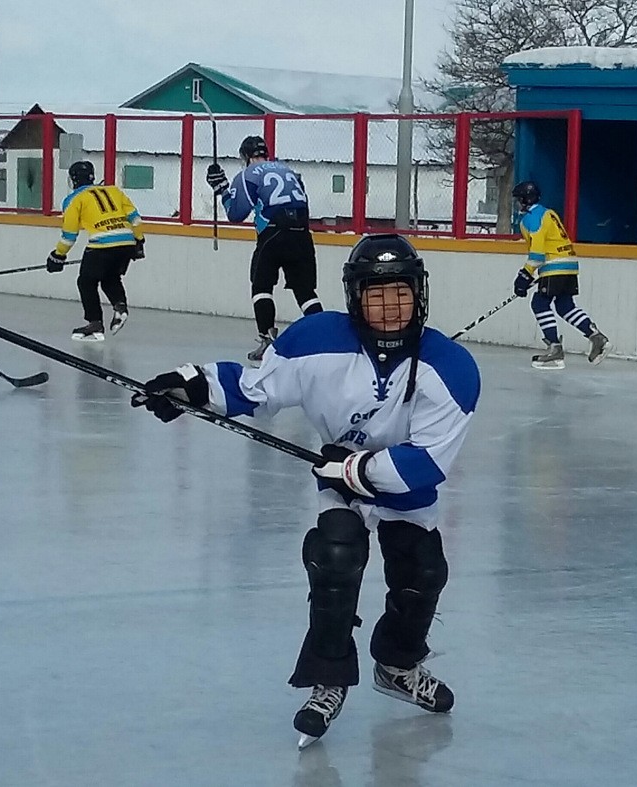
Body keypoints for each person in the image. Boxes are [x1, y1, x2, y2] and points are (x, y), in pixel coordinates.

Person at [133, 233, 480, 749]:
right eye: (376, 294)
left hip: (396, 486)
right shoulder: (316, 339)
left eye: (401, 293)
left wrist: (356, 467)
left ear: (420, 294)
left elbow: (425, 462)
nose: (390, 307)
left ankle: (398, 665)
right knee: (335, 558)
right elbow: (255, 389)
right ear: (354, 297)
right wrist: (189, 386)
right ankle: (330, 677)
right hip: (341, 480)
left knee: (422, 572)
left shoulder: (449, 367)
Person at [205, 135, 323, 363]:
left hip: (273, 232)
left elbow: (236, 214)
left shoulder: (247, 175)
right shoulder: (289, 171)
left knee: (261, 286)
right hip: (302, 233)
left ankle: (267, 338)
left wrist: (222, 189)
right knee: (305, 292)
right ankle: (325, 336)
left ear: (246, 157)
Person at [512, 180, 610, 369]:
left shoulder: (532, 219)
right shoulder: (549, 213)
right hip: (570, 264)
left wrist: (524, 275)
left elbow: (538, 255)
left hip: (553, 265)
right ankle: (597, 337)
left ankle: (555, 349)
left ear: (525, 200)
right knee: (565, 306)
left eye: (518, 200)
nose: (517, 205)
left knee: (539, 303)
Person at [47, 161, 145, 342]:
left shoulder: (73, 200)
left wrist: (57, 255)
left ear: (73, 180)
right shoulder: (114, 191)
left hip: (102, 244)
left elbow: (69, 235)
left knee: (86, 281)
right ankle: (120, 306)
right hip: (126, 242)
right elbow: (136, 220)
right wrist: (139, 241)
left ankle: (95, 324)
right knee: (110, 278)